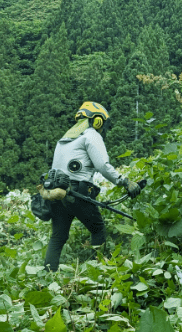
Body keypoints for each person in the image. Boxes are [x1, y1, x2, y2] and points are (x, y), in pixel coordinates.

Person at [44, 101, 141, 271]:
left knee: (58, 237)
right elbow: (103, 166)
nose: (103, 129)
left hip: (56, 192)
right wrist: (125, 181)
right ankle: (99, 272)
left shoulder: (64, 138)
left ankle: (46, 276)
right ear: (97, 120)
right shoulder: (91, 135)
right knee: (98, 230)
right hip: (78, 191)